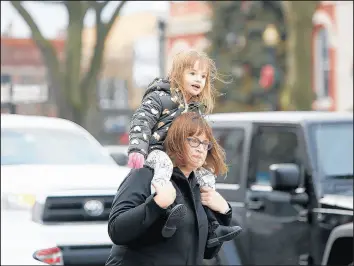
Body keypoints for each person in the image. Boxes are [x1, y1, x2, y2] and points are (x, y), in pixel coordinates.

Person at [126, 50, 241, 246]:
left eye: (203, 76)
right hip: (158, 151)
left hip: (180, 156)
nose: (199, 79)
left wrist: (206, 159)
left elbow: (202, 137)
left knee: (206, 176)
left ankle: (212, 228)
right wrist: (137, 149)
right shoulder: (161, 98)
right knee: (164, 166)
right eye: (193, 73)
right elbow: (141, 121)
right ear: (178, 73)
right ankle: (169, 210)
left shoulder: (196, 109)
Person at [106, 112, 238, 266]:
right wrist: (156, 205)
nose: (201, 149)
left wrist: (224, 213)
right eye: (194, 141)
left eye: (205, 143)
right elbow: (117, 230)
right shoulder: (146, 174)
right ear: (176, 140)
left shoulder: (196, 187)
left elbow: (207, 252)